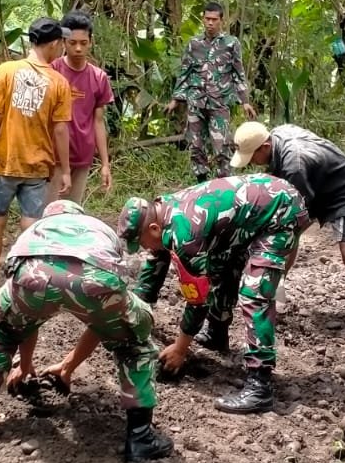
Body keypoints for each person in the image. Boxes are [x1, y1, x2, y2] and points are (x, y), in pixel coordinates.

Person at [0, 200, 173, 463]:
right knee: (133, 344)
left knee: (1, 330)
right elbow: (100, 323)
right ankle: (140, 438)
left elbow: (26, 323)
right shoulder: (98, 228)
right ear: (77, 215)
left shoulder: (37, 228)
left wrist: (26, 364)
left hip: (32, 275)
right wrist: (70, 365)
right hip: (97, 278)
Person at [115, 175, 308, 414]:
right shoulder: (163, 212)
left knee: (255, 292)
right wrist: (133, 316)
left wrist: (180, 348)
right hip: (252, 212)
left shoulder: (185, 234)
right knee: (222, 264)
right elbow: (155, 266)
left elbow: (197, 299)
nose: (144, 249)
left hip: (280, 210)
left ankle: (260, 385)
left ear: (153, 228)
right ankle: (217, 332)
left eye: (142, 243)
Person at [229, 121, 345, 343]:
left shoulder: (294, 164)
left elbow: (294, 213)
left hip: (344, 190)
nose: (252, 164)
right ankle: (274, 295)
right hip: (315, 184)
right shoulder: (276, 136)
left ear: (265, 146)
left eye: (252, 157)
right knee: (287, 233)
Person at [0, 17, 73, 300]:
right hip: (38, 163)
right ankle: (24, 287)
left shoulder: (6, 71)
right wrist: (65, 169)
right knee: (31, 221)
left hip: (6, 159)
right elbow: (60, 129)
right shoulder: (58, 82)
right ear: (54, 44)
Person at [166, 2, 255, 182]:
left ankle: (225, 183)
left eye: (214, 19)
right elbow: (185, 72)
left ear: (221, 20)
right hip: (196, 102)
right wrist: (176, 99)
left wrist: (245, 101)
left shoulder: (231, 44)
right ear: (203, 19)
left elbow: (239, 72)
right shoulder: (194, 44)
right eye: (207, 19)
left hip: (219, 103)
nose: (210, 23)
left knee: (222, 146)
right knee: (196, 146)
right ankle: (201, 182)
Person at [51, 11, 114, 203]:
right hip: (53, 157)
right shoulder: (53, 71)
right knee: (50, 212)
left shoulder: (98, 77)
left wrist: (105, 163)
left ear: (91, 42)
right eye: (72, 43)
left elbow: (98, 122)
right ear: (63, 42)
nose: (78, 48)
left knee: (72, 210)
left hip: (82, 155)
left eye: (83, 43)